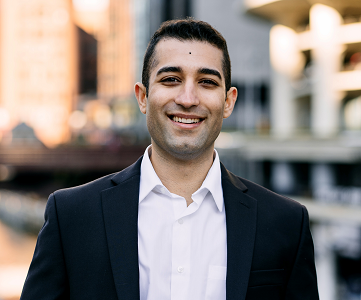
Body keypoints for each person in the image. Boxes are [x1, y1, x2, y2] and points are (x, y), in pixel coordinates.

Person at [21, 19, 319, 300]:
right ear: (142, 97)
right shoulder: (71, 216)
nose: (188, 98)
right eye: (171, 79)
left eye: (207, 82)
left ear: (228, 102)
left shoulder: (286, 223)